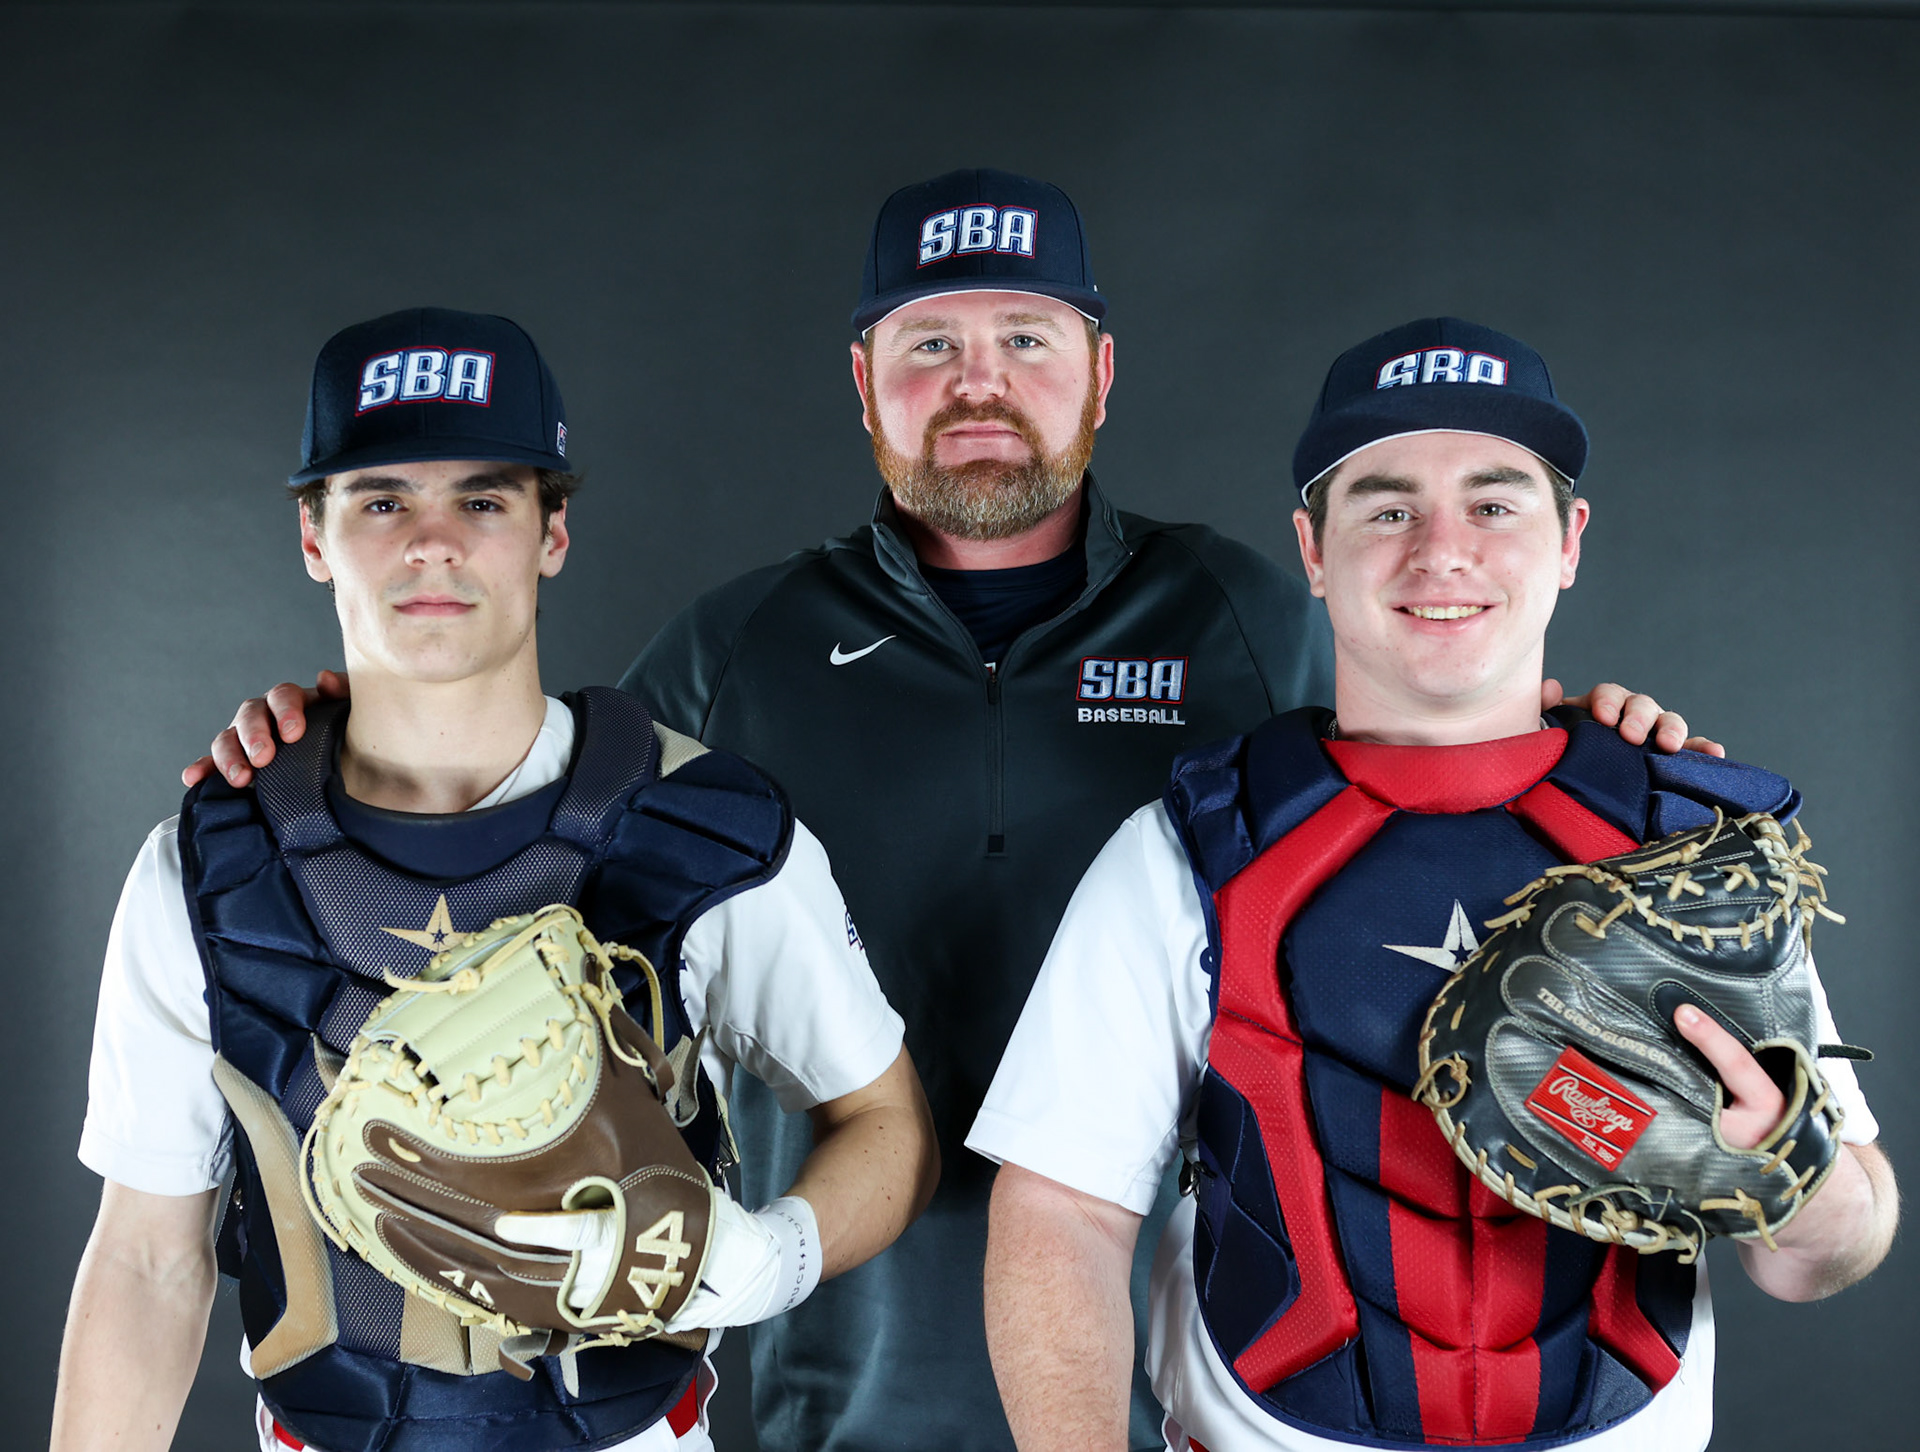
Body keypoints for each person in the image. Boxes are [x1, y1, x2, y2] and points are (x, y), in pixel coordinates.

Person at [192, 183, 1711, 1452]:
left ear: (1100, 373)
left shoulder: (1247, 613)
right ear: (865, 384)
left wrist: (1583, 744)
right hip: (820, 1368)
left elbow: (1430, 763)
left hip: (1163, 1365)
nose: (978, 382)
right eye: (929, 344)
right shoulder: (739, 646)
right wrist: (339, 723)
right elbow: (507, 806)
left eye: (1025, 339)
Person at [969, 317, 1899, 1452]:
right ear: (1313, 548)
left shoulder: (1688, 853)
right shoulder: (1184, 852)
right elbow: (1061, 1212)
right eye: (1388, 506)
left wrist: (1784, 1170)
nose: (1442, 550)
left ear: (1570, 541)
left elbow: (1829, 1255)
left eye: (1497, 503)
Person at [57, 307, 938, 1452]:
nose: (433, 543)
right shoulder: (209, 870)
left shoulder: (699, 830)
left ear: (551, 531)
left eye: (482, 499)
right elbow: (144, 1255)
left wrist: (770, 1258)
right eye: (382, 501)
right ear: (315, 537)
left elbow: (889, 1123)